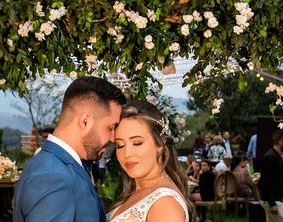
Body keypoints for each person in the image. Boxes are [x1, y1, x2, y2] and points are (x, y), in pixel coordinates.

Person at [13, 76, 126, 222]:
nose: (113, 138)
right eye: (110, 127)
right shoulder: (51, 177)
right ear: (85, 121)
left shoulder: (55, 164)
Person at [108, 100, 191, 222]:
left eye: (137, 143)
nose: (127, 153)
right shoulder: (136, 191)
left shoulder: (165, 204)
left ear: (160, 145)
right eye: (120, 145)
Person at [257, 130, 283, 222]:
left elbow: (278, 181)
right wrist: (272, 203)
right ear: (280, 142)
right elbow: (267, 181)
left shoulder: (275, 156)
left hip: (272, 199)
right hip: (271, 200)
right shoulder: (271, 157)